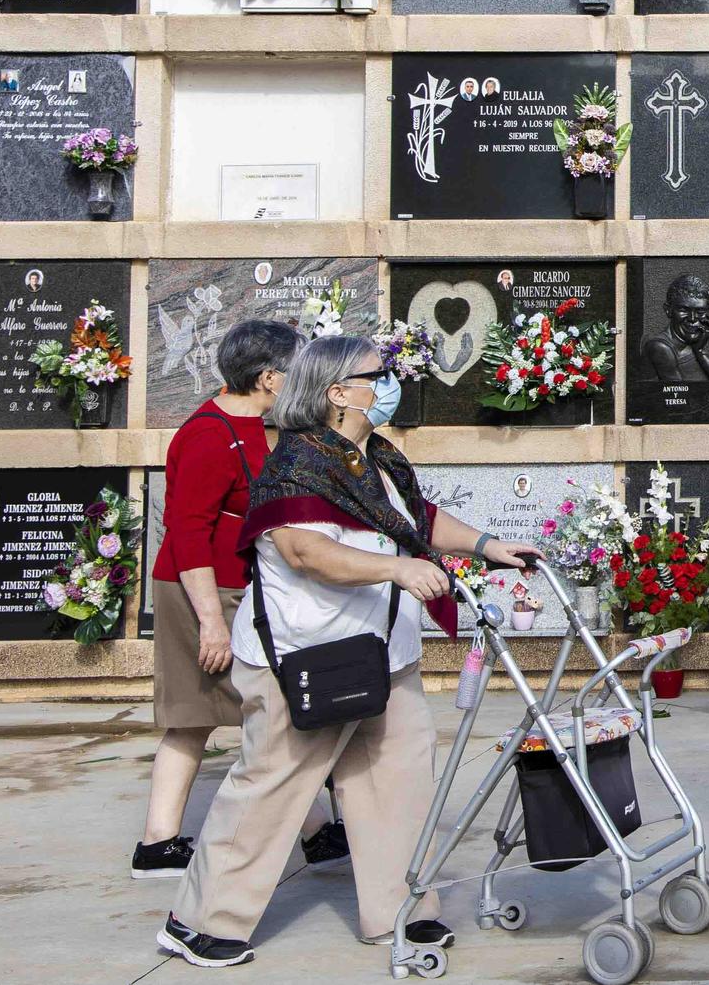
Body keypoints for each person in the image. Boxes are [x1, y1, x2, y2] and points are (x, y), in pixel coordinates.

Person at [159, 336, 542, 969]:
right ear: (339, 393)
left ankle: (402, 911)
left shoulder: (377, 458)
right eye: (379, 374)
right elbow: (305, 552)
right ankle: (198, 922)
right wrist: (395, 573)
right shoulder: (297, 465)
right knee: (271, 788)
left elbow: (414, 519)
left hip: (384, 657)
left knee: (400, 783)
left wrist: (488, 545)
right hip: (305, 656)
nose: (392, 382)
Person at [137, 320, 350, 881]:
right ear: (269, 378)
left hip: (240, 588)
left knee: (274, 711)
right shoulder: (208, 435)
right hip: (201, 588)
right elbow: (186, 533)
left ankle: (318, 830)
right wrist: (210, 622)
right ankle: (158, 844)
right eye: (297, 369)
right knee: (196, 714)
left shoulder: (260, 426)